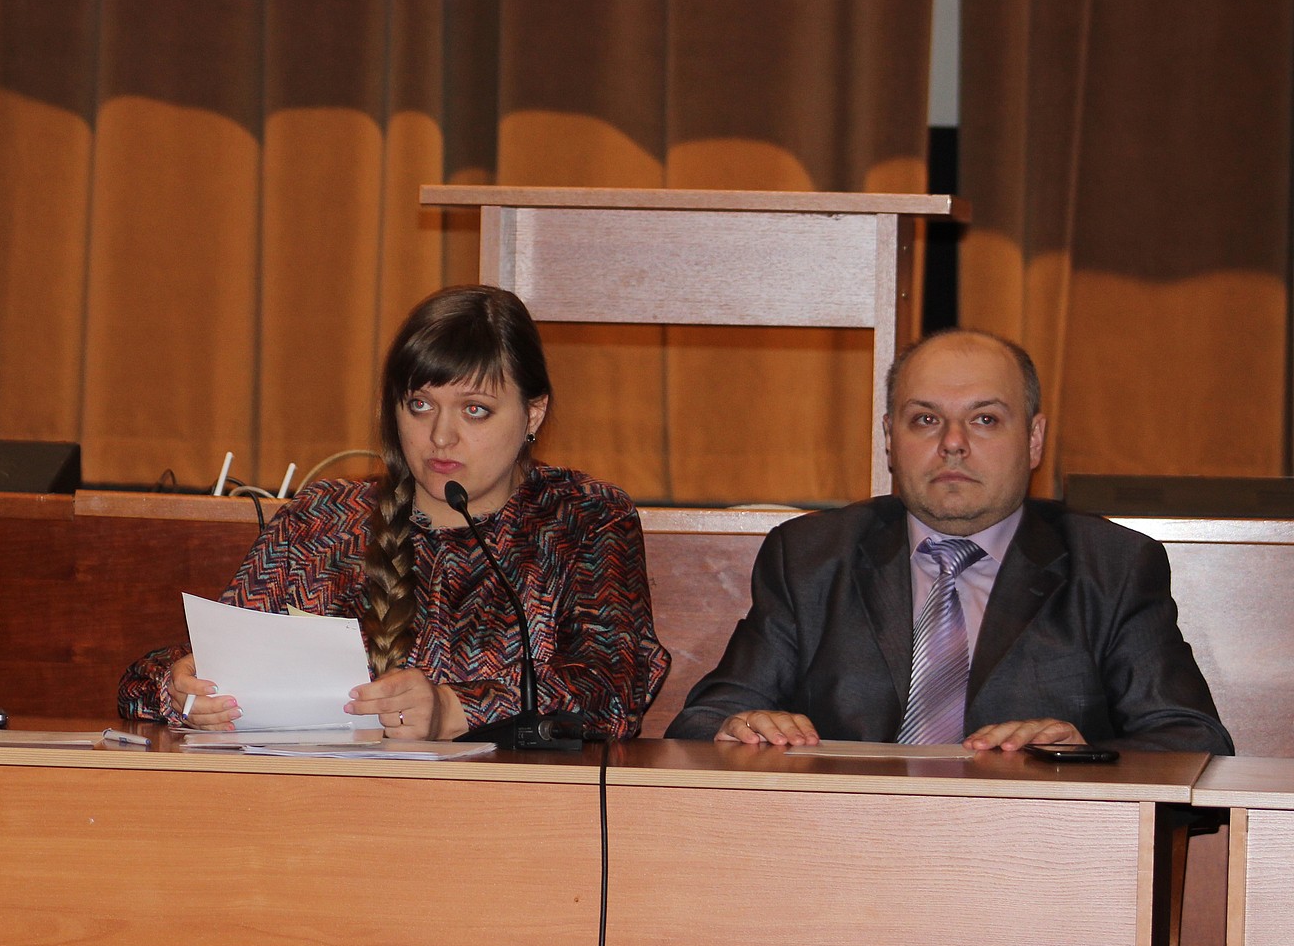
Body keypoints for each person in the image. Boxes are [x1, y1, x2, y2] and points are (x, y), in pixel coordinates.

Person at [119, 285, 670, 740]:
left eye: (475, 410)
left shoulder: (582, 519)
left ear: (533, 413)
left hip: (511, 816)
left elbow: (614, 690)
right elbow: (160, 676)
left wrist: (457, 708)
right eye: (420, 405)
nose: (441, 436)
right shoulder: (325, 519)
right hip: (321, 809)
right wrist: (179, 689)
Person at [666, 328, 1231, 755]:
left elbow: (1193, 740)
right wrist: (741, 727)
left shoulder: (1112, 567)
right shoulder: (810, 556)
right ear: (890, 439)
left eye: (985, 420)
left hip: (1033, 855)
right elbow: (701, 721)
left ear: (1034, 439)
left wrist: (1080, 756)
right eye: (925, 420)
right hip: (843, 850)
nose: (953, 443)